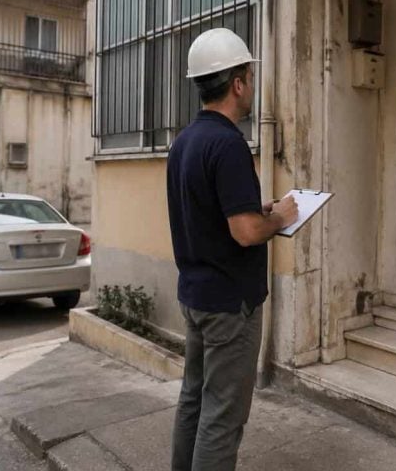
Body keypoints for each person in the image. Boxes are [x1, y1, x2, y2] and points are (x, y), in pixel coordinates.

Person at [167, 28, 299, 471]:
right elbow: (244, 232)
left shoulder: (185, 142)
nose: (251, 86)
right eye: (248, 75)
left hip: (196, 296)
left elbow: (217, 212)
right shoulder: (228, 144)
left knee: (193, 401)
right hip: (230, 305)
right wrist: (280, 217)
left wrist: (257, 209)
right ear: (237, 83)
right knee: (223, 417)